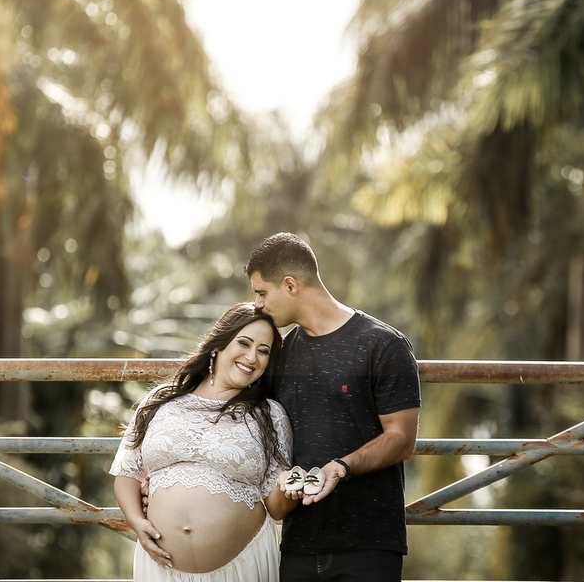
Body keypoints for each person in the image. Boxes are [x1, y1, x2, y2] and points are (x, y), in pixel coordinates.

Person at [246, 232, 421, 582]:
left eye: (262, 293)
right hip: (298, 543)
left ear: (291, 285)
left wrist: (342, 467)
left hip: (369, 546)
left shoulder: (383, 344)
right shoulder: (277, 354)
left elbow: (402, 438)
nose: (259, 305)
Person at [111, 303, 293, 581]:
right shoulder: (161, 402)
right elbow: (127, 474)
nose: (252, 357)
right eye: (243, 343)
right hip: (161, 569)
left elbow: (277, 507)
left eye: (264, 351)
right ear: (218, 345)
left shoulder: (269, 415)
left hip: (242, 566)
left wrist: (293, 483)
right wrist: (137, 523)